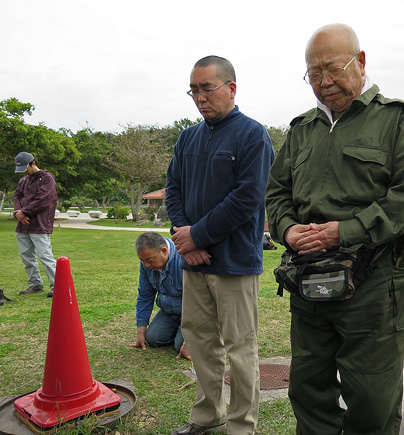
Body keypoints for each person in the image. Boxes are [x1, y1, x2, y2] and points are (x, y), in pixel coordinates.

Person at [265, 24, 404, 434]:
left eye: (333, 69)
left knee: (371, 404)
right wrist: (286, 231)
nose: (324, 82)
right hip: (309, 280)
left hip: (375, 286)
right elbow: (277, 193)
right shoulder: (302, 129)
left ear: (361, 62)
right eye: (313, 73)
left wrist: (345, 231)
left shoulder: (397, 120)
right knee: (308, 392)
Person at [165, 55, 274, 435]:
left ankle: (241, 426)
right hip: (194, 263)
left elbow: (248, 199)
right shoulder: (187, 137)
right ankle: (208, 415)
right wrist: (184, 237)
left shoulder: (252, 134)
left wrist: (198, 235)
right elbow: (173, 190)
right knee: (200, 342)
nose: (199, 97)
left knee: (241, 349)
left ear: (231, 88)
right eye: (193, 89)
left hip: (235, 263)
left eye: (206, 88)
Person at [131, 231, 190, 360]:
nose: (146, 265)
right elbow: (145, 296)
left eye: (149, 260)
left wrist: (187, 342)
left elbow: (199, 301)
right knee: (153, 338)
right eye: (142, 261)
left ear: (164, 251)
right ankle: (179, 331)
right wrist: (140, 333)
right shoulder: (147, 264)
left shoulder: (184, 259)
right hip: (169, 312)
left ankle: (190, 334)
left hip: (190, 313)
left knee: (180, 345)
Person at [13, 152, 57, 298]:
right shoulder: (23, 181)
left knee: (45, 255)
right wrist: (18, 214)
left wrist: (24, 212)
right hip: (23, 226)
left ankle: (57, 286)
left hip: (39, 224)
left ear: (33, 163)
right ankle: (35, 284)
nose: (24, 172)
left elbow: (44, 199)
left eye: (25, 168)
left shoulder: (47, 179)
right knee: (26, 257)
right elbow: (17, 196)